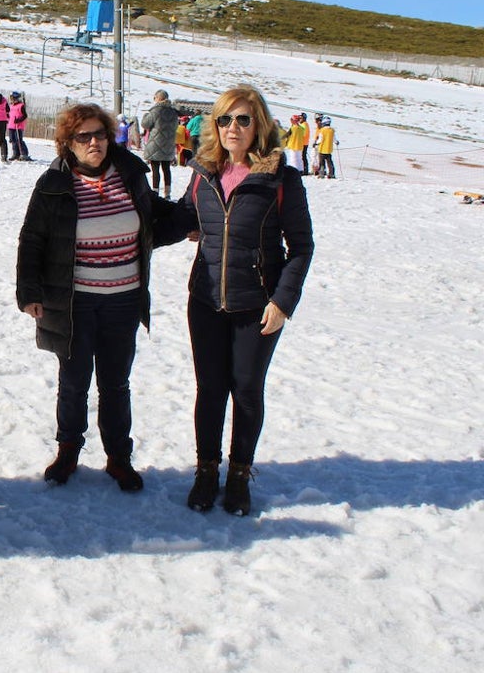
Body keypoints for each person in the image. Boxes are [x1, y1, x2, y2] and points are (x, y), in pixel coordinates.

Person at [162, 84, 314, 516]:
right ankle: (206, 471)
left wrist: (283, 301)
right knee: (210, 390)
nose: (233, 127)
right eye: (225, 119)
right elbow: (181, 220)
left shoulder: (280, 178)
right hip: (206, 300)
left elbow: (301, 246)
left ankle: (240, 475)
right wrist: (129, 219)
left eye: (243, 119)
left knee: (246, 391)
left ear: (259, 125)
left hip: (257, 305)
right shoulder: (203, 172)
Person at [17, 103, 177, 492]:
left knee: (116, 383)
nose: (93, 142)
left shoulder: (130, 175)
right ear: (68, 143)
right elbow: (32, 238)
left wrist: (193, 223)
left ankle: (118, 457)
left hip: (123, 299)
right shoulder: (53, 184)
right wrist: (29, 291)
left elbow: (153, 219)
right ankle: (68, 449)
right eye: (83, 136)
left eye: (99, 134)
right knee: (73, 382)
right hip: (73, 302)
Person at [140, 89, 178, 197]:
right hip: (168, 144)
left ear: (158, 98)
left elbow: (145, 124)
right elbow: (176, 126)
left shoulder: (155, 111)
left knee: (155, 170)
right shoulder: (173, 112)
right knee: (167, 169)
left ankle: (155, 192)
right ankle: (168, 193)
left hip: (155, 145)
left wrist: (145, 116)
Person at [7, 91, 30, 161]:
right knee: (13, 140)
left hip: (18, 126)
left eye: (13, 98)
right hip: (11, 125)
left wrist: (19, 120)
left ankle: (24, 153)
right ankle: (15, 154)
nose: (12, 100)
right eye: (11, 98)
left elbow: (25, 115)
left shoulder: (21, 105)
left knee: (19, 140)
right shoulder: (11, 106)